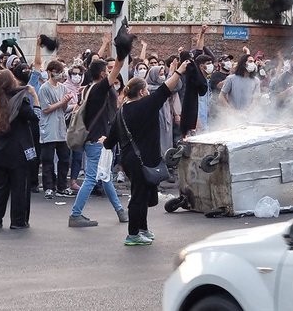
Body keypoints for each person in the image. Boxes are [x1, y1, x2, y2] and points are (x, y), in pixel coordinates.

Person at [104, 59, 190, 246]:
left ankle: (142, 229)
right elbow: (165, 90)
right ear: (142, 92)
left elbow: (111, 140)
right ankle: (133, 234)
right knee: (138, 197)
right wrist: (179, 72)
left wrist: (104, 142)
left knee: (143, 196)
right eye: (147, 91)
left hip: (131, 160)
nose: (149, 93)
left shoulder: (122, 111)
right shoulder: (146, 105)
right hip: (140, 160)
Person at [68, 57, 130, 228]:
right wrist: (122, 55)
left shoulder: (88, 88)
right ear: (103, 74)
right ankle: (75, 214)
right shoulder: (99, 89)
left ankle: (120, 211)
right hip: (97, 139)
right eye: (107, 71)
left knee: (105, 176)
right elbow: (117, 68)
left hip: (96, 138)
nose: (111, 74)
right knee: (92, 178)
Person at [0, 70, 40, 229]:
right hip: (19, 150)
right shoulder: (21, 100)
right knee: (20, 187)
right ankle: (18, 221)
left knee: (0, 186)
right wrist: (35, 97)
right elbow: (36, 117)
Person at [38, 60, 74, 199]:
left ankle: (62, 186)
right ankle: (48, 187)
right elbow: (46, 109)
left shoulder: (63, 88)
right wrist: (62, 102)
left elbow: (65, 108)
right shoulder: (44, 88)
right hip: (48, 127)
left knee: (64, 158)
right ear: (50, 72)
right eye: (57, 72)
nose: (59, 75)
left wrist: (70, 103)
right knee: (47, 160)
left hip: (61, 127)